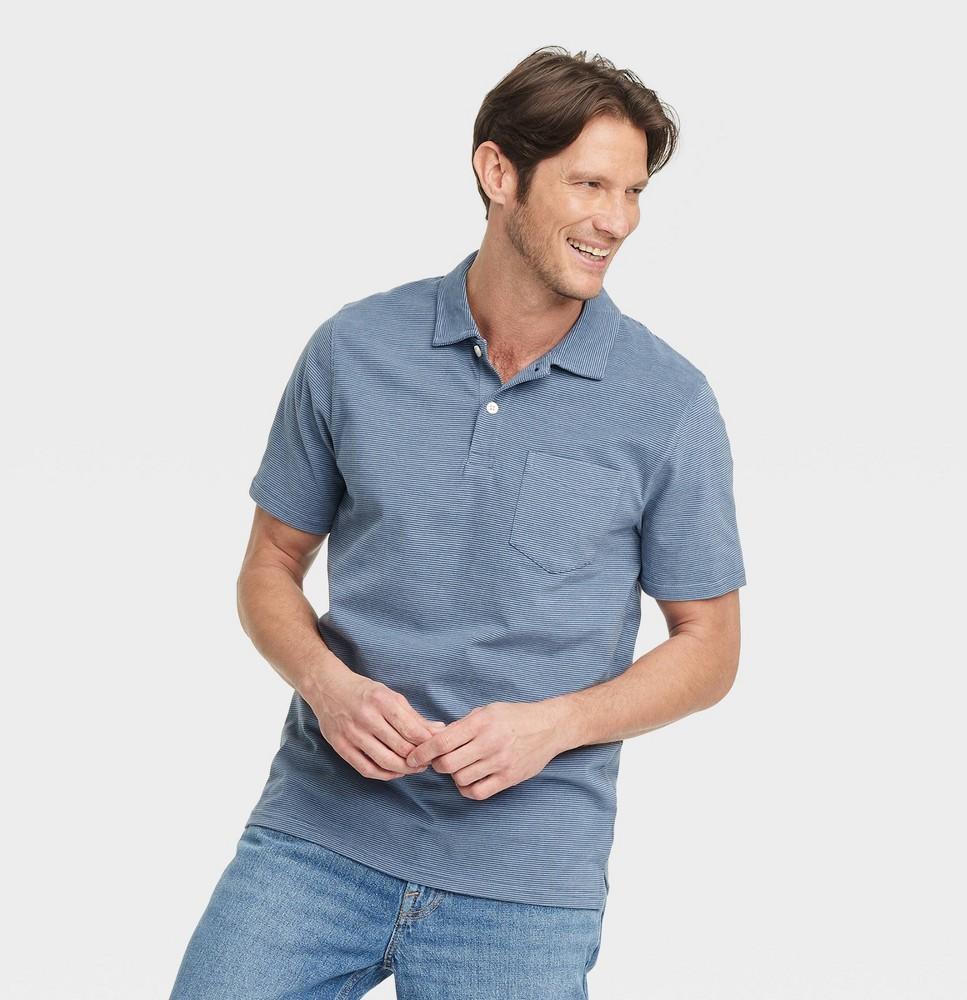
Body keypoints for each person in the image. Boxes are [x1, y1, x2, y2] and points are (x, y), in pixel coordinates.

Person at [169, 44, 747, 999]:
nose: (618, 220)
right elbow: (269, 563)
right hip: (317, 839)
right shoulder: (354, 349)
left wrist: (555, 725)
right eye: (590, 184)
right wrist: (324, 682)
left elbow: (711, 647)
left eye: (634, 191)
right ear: (498, 173)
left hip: (525, 880)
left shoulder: (669, 401)